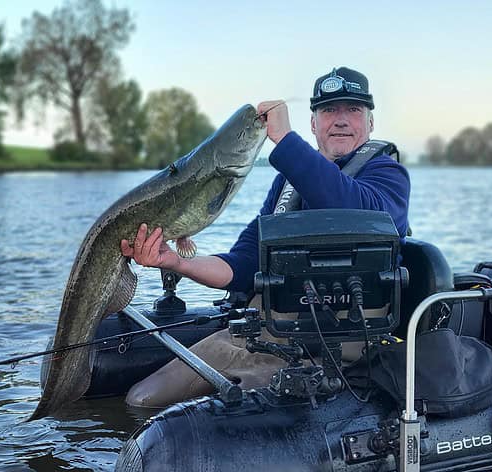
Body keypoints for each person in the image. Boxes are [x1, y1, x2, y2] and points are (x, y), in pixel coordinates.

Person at [120, 66, 410, 407]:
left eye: (354, 110)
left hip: (343, 347)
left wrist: (286, 142)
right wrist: (173, 261)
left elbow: (356, 214)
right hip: (268, 335)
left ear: (370, 123)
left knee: (219, 420)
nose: (341, 120)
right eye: (329, 110)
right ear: (314, 124)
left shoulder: (387, 175)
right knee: (140, 400)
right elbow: (241, 264)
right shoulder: (288, 183)